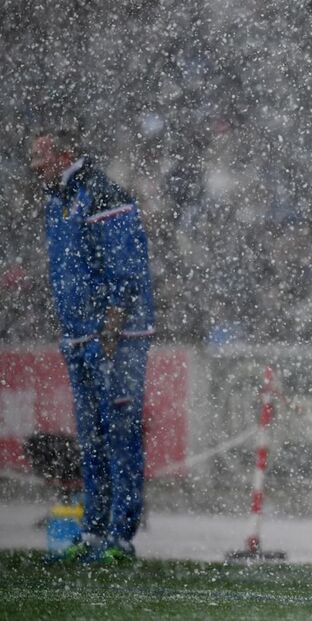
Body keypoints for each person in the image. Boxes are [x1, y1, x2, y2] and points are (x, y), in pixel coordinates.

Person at [29, 128, 155, 564]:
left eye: (41, 157)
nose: (34, 166)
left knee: (120, 431)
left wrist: (111, 327)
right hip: (79, 334)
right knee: (91, 437)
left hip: (115, 337)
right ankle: (93, 529)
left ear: (65, 153)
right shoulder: (55, 201)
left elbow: (127, 265)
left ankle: (120, 536)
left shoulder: (102, 194)